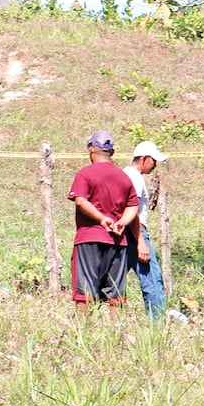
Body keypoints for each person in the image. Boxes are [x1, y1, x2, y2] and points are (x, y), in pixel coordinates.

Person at [67, 130, 138, 310]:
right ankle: (114, 333)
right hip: (117, 241)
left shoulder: (85, 174)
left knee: (84, 293)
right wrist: (122, 222)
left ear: (91, 150)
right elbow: (133, 205)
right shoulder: (124, 177)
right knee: (115, 295)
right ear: (112, 152)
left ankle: (83, 333)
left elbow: (81, 200)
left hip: (89, 239)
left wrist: (101, 218)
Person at [124, 141, 188, 323]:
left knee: (116, 278)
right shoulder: (135, 178)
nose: (155, 165)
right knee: (152, 278)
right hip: (136, 232)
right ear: (144, 159)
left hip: (125, 233)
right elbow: (132, 210)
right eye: (153, 161)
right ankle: (157, 324)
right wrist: (140, 242)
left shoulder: (124, 174)